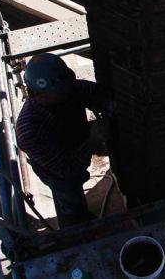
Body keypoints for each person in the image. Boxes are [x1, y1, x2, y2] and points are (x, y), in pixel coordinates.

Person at [15, 53, 113, 228]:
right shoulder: (29, 131)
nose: (68, 92)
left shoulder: (67, 89)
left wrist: (110, 108)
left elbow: (92, 93)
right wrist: (93, 140)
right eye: (61, 92)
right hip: (58, 173)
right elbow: (65, 168)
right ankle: (79, 227)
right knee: (70, 199)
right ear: (37, 94)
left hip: (76, 140)